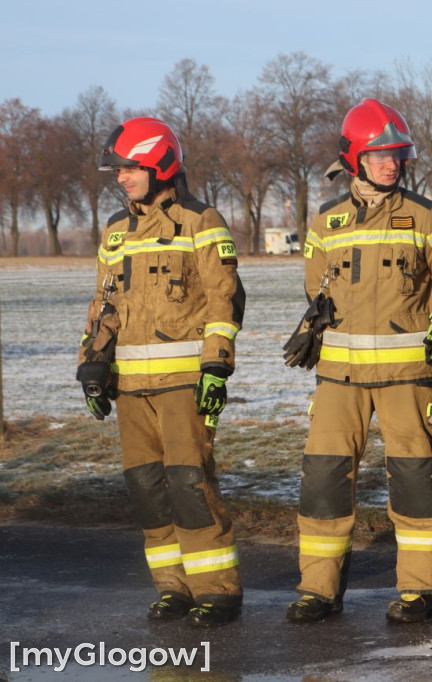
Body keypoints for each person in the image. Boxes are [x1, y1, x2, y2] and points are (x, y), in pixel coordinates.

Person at [283, 98, 432, 625]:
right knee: (323, 482)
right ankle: (318, 590)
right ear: (355, 158)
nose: (393, 164)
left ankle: (419, 591)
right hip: (338, 379)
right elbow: (316, 287)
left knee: (412, 481)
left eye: (398, 155)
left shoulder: (428, 216)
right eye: (381, 155)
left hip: (408, 379)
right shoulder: (326, 221)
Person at [77, 117, 246, 627]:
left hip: (184, 385)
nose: (122, 177)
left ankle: (217, 591)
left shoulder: (201, 221)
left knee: (189, 484)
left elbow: (226, 297)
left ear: (159, 166)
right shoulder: (115, 230)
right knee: (147, 489)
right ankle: (172, 588)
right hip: (131, 390)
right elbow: (103, 302)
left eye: (130, 168)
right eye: (118, 170)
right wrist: (93, 362)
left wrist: (217, 365)